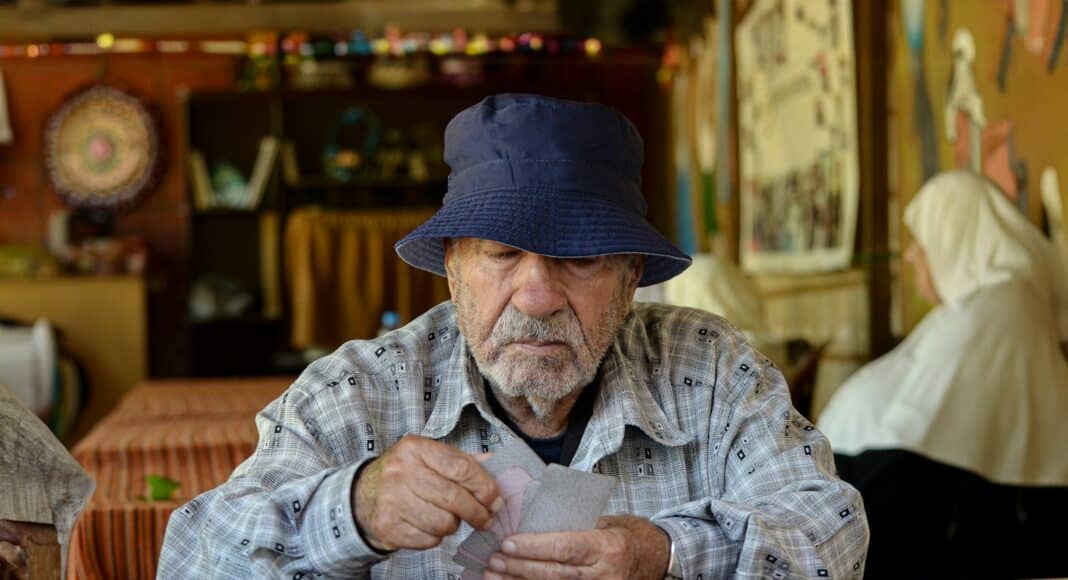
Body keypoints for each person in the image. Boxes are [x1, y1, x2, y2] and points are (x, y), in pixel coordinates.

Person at [160, 94, 869, 579]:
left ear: (630, 279)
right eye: (501, 253)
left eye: (581, 257)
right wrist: (353, 510)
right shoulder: (357, 396)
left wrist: (664, 551)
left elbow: (833, 531)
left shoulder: (711, 373)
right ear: (453, 270)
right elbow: (190, 557)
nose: (536, 295)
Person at [817, 170, 1068, 578]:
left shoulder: (1004, 306)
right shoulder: (978, 306)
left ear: (957, 238)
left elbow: (926, 430)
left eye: (924, 240)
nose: (912, 255)